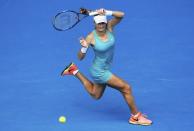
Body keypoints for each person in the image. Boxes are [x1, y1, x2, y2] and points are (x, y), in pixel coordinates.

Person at [61, 8, 152, 126]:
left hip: (104, 68)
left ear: (105, 22)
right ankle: (135, 117)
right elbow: (80, 57)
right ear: (94, 24)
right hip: (99, 71)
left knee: (95, 95)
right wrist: (83, 47)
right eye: (98, 23)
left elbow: (121, 15)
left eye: (103, 22)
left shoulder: (109, 27)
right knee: (126, 88)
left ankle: (74, 70)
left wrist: (107, 12)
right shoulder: (90, 37)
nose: (101, 25)